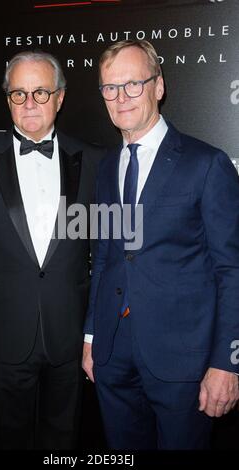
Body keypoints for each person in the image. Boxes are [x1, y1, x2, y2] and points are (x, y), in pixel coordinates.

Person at [83, 40, 239, 450]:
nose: (121, 97)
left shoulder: (206, 164)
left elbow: (232, 270)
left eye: (134, 84)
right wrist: (92, 339)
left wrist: (227, 362)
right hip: (113, 356)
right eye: (110, 88)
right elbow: (104, 259)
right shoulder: (105, 168)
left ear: (159, 87)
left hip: (184, 360)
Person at [0, 50, 104, 450]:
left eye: (40, 92)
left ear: (60, 97)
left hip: (69, 340)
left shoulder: (93, 162)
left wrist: (95, 333)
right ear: (7, 98)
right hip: (0, 340)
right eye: (19, 94)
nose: (30, 103)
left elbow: (103, 255)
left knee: (63, 442)